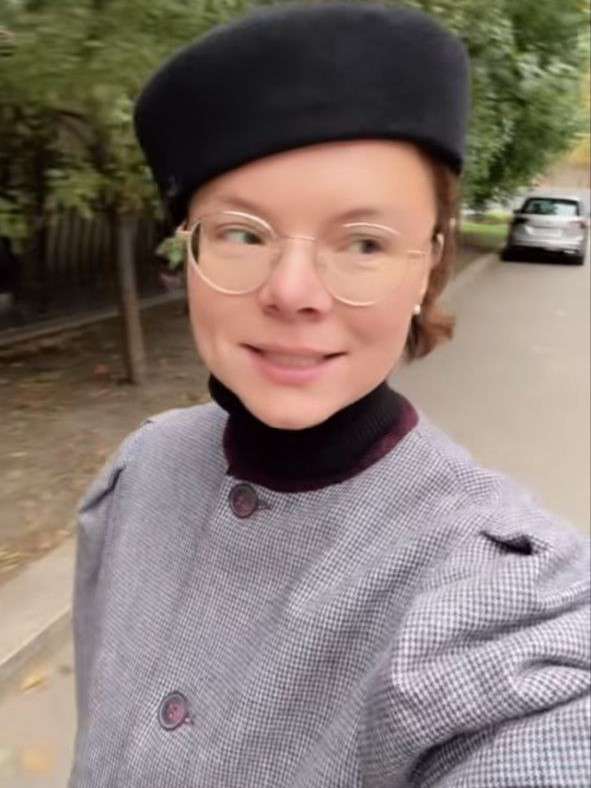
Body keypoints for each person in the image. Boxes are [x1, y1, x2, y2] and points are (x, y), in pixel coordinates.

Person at [68, 3, 590, 786]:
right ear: (189, 250)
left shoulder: (507, 601)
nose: (292, 292)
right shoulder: (138, 473)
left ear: (429, 262)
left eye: (364, 242)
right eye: (243, 233)